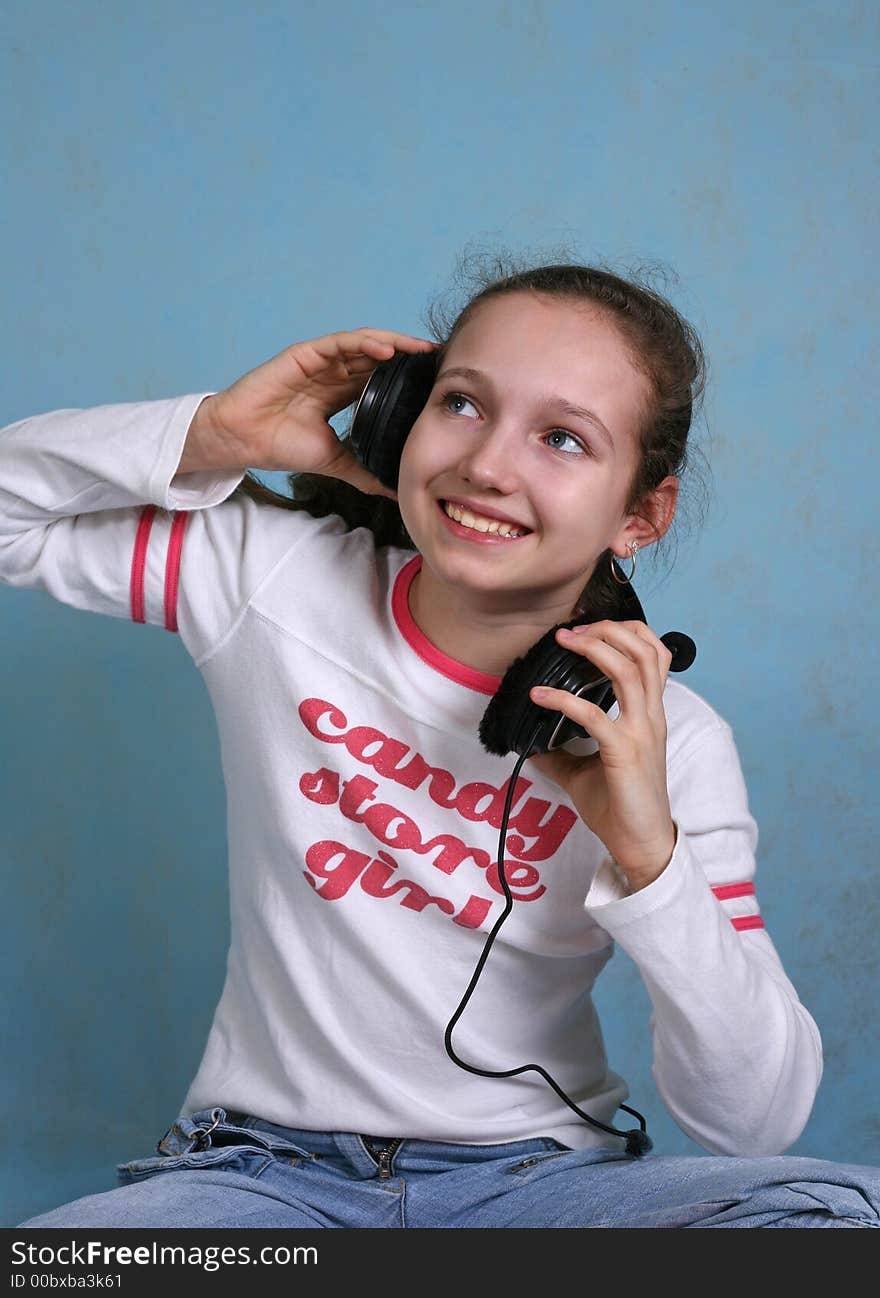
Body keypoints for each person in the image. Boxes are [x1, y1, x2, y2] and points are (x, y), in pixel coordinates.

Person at [2, 258, 878, 1229]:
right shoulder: (274, 577)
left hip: (536, 1188)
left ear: (640, 514)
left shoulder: (669, 742)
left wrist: (648, 854)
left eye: (561, 437)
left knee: (833, 1224)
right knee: (63, 1264)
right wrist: (214, 433)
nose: (490, 465)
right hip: (259, 1178)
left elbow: (755, 1120)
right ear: (395, 416)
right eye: (462, 403)